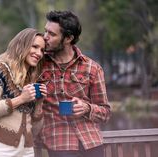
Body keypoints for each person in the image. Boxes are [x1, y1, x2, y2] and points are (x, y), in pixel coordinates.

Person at [36, 10, 111, 157]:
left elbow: (106, 113)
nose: (45, 37)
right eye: (45, 32)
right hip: (58, 144)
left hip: (91, 143)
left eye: (52, 34)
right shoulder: (38, 64)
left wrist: (86, 108)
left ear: (68, 38)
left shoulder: (92, 68)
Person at [0, 28, 47, 157]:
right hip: (0, 148)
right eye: (35, 47)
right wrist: (21, 99)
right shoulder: (0, 70)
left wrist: (39, 104)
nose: (39, 53)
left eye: (42, 50)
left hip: (27, 150)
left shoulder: (32, 80)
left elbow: (36, 131)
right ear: (22, 45)